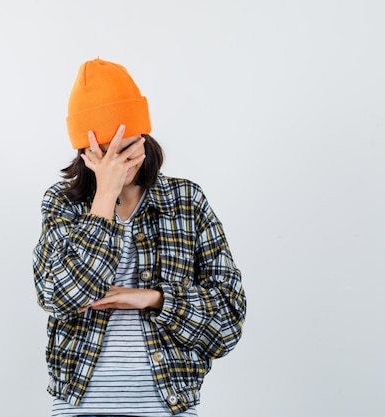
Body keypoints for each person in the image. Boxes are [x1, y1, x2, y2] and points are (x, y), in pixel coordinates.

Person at [32, 58, 246, 417]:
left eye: (126, 147)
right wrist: (103, 197)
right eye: (105, 151)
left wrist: (153, 298)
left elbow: (228, 319)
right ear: (84, 153)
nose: (119, 163)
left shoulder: (187, 202)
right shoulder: (62, 203)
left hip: (169, 407)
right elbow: (59, 296)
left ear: (144, 137)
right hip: (79, 408)